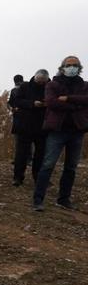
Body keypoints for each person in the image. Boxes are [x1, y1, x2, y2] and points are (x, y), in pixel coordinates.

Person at [33, 56, 88, 211]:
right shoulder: (53, 84)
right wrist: (77, 106)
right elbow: (51, 102)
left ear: (79, 67)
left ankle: (64, 199)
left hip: (77, 131)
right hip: (57, 130)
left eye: (75, 65)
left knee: (71, 167)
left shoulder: (84, 85)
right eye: (69, 65)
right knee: (48, 165)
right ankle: (38, 199)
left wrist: (68, 98)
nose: (72, 68)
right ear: (62, 67)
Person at [9, 70, 49, 186]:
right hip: (25, 125)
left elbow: (54, 101)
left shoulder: (50, 87)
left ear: (46, 80)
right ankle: (18, 177)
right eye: (39, 81)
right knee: (21, 154)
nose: (41, 83)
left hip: (43, 126)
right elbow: (17, 101)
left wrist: (47, 103)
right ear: (35, 78)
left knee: (40, 155)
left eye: (43, 82)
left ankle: (38, 177)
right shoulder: (25, 86)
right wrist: (32, 103)